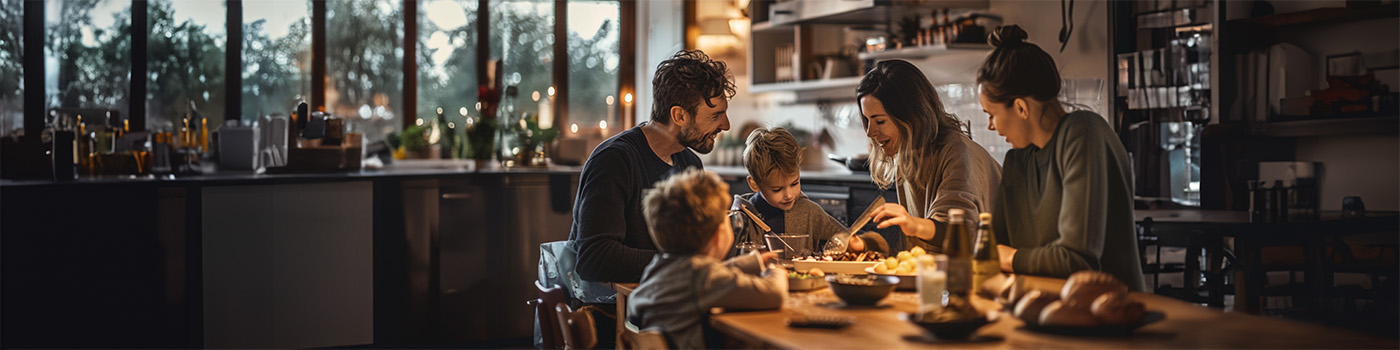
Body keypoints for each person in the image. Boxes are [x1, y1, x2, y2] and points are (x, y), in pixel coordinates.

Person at [976, 25, 1145, 291]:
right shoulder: (1017, 161)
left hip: (1107, 314)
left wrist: (1010, 257)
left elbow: (1076, 259)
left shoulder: (1084, 133)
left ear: (1020, 107)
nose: (990, 126)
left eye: (991, 114)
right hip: (1040, 305)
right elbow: (991, 247)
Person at [568, 49, 735, 286]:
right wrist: (685, 263)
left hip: (668, 303)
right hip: (612, 313)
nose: (726, 125)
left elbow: (699, 249)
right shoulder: (614, 160)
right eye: (715, 115)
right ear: (679, 116)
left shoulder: (690, 163)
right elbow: (594, 258)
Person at [627, 169, 787, 349]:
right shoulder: (703, 277)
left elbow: (706, 273)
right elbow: (774, 294)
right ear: (719, 234)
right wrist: (776, 270)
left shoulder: (657, 268)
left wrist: (754, 263)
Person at [857, 60, 1003, 253]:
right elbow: (916, 236)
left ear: (911, 116)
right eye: (867, 121)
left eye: (880, 121)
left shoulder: (959, 153)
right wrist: (865, 244)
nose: (870, 132)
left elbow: (959, 230)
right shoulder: (908, 153)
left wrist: (914, 225)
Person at [731, 127, 890, 256]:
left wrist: (861, 244)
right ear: (754, 184)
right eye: (777, 189)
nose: (789, 194)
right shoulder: (741, 219)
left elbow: (873, 246)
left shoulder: (810, 213)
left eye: (794, 183)